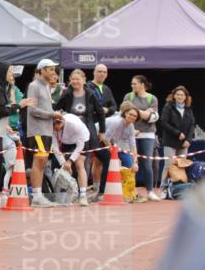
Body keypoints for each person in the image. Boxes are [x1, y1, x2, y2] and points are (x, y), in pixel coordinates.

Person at [0, 61, 35, 209]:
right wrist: (19, 105)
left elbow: (3, 111)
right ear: (1, 72)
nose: (12, 74)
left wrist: (7, 126)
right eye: (9, 71)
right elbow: (2, 111)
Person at [55, 68, 109, 197]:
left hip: (86, 132)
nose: (75, 81)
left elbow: (100, 112)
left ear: (84, 80)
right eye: (73, 79)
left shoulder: (90, 94)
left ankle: (86, 192)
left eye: (78, 79)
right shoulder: (67, 94)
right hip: (69, 132)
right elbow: (56, 108)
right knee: (70, 162)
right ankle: (71, 191)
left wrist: (102, 131)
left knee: (82, 161)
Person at [26, 59, 59, 207]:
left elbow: (45, 109)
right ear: (42, 70)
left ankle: (38, 195)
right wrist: (52, 115)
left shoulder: (46, 86)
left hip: (46, 130)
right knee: (39, 162)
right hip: (37, 131)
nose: (53, 72)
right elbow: (32, 110)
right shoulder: (34, 86)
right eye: (50, 69)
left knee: (43, 162)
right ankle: (36, 196)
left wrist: (54, 117)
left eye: (54, 69)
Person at [123, 75, 161, 200]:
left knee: (147, 164)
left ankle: (150, 191)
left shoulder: (152, 98)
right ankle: (131, 191)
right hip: (131, 133)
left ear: (142, 85)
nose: (132, 86)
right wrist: (144, 112)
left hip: (148, 135)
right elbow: (125, 113)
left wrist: (136, 110)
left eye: (135, 84)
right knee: (131, 163)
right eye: (132, 84)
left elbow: (152, 118)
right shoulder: (128, 96)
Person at [87, 63, 117, 194]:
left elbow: (114, 107)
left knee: (103, 160)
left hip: (102, 129)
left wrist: (106, 110)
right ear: (94, 72)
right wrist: (99, 110)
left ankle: (101, 189)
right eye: (99, 71)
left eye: (104, 72)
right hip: (88, 128)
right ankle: (82, 189)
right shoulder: (87, 86)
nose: (102, 74)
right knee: (83, 160)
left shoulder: (106, 89)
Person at [52, 112, 91, 206]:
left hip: (81, 140)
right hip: (65, 141)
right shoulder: (51, 127)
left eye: (58, 124)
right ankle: (66, 195)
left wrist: (70, 161)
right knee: (64, 167)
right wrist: (63, 163)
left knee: (79, 164)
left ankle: (83, 195)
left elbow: (80, 145)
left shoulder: (74, 125)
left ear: (62, 121)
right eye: (53, 125)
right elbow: (55, 147)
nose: (55, 127)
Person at [159, 86, 196, 186]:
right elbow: (164, 122)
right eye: (177, 94)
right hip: (170, 141)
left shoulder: (188, 109)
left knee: (181, 166)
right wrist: (178, 133)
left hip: (183, 143)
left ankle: (178, 188)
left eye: (182, 95)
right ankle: (163, 188)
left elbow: (192, 124)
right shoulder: (168, 106)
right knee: (169, 165)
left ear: (185, 97)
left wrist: (188, 140)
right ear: (174, 96)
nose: (179, 96)